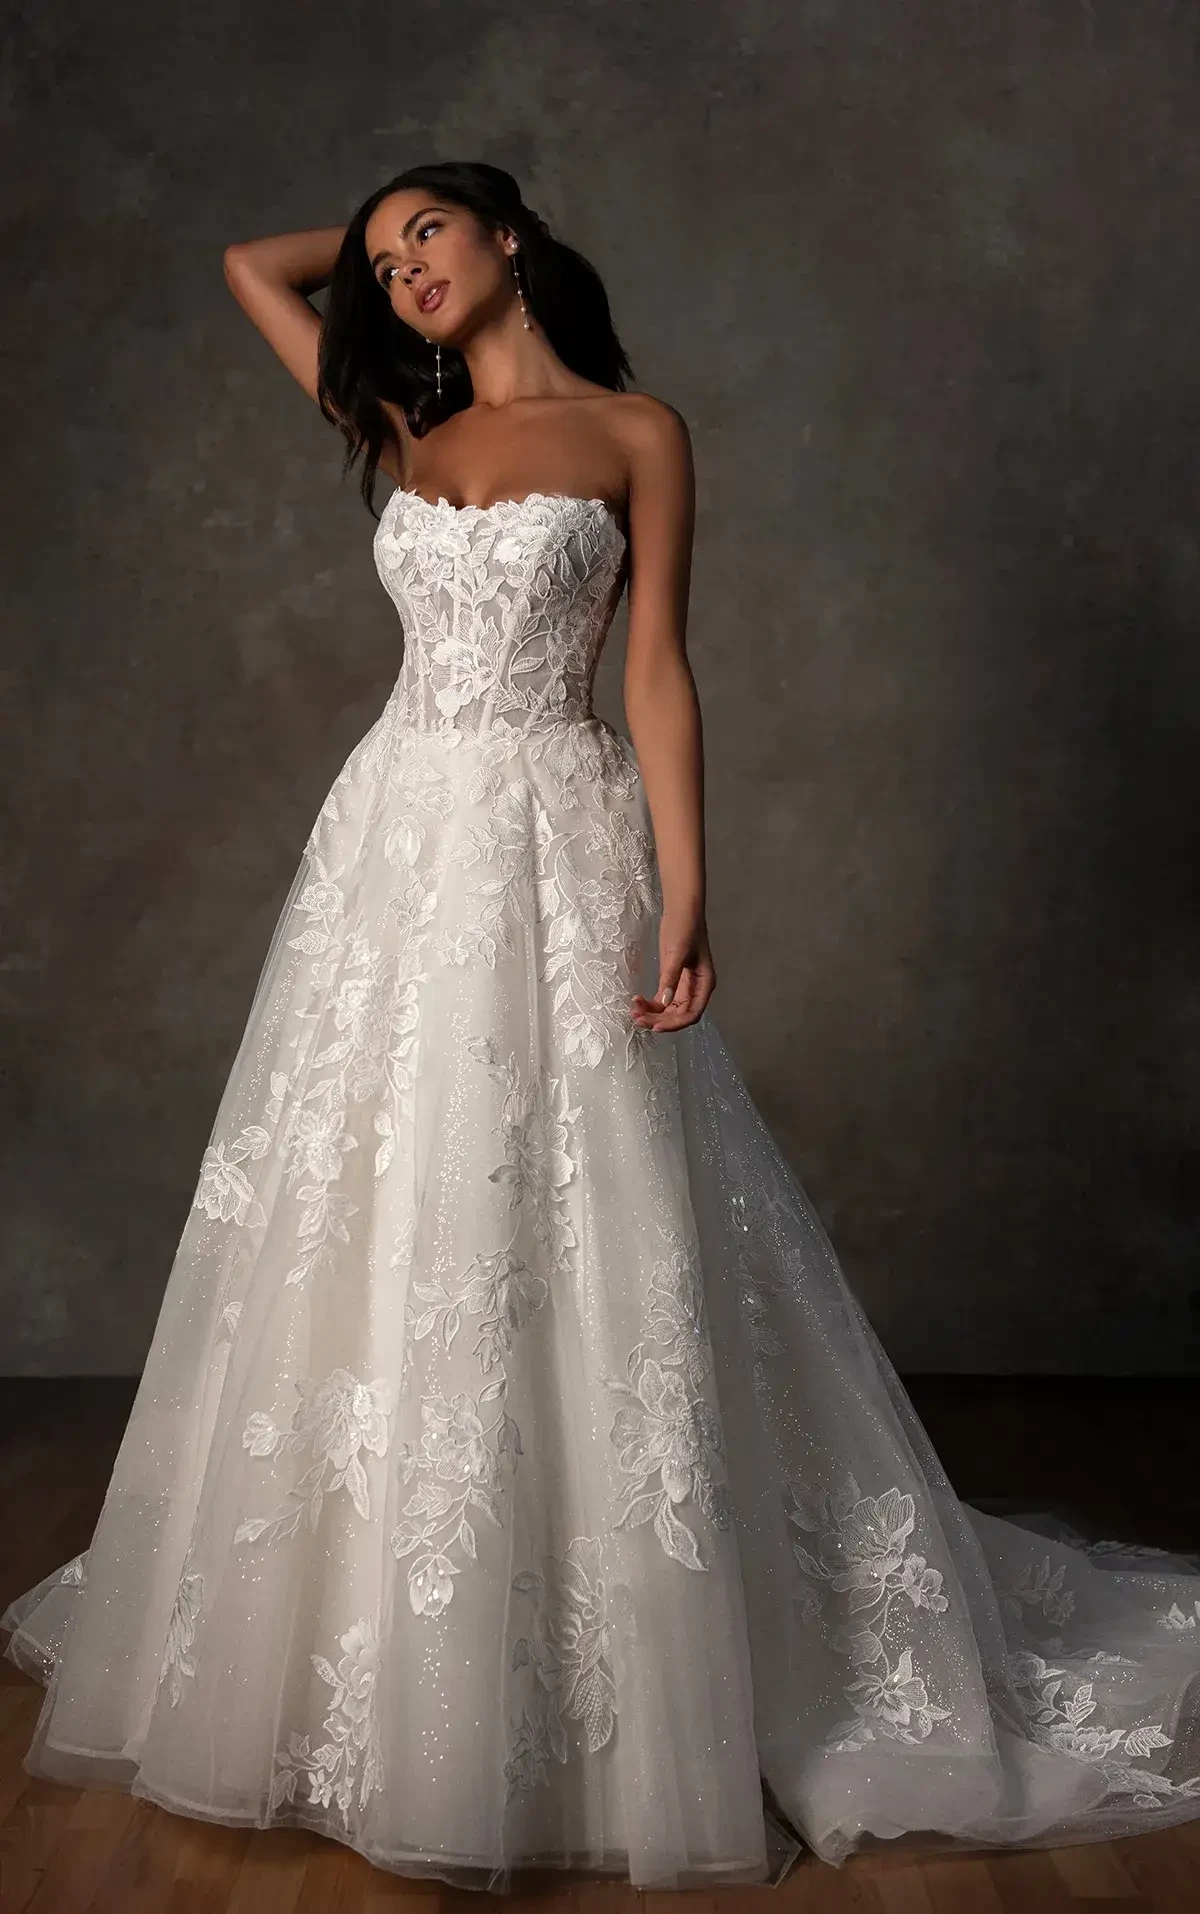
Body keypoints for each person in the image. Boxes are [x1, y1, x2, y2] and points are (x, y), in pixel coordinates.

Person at [4, 159, 1200, 1894]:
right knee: (378, 1195)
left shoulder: (641, 432)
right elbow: (242, 266)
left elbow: (655, 668)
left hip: (555, 848)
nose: (399, 266)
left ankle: (616, 1651)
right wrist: (368, 230)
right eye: (386, 250)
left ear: (515, 239)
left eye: (434, 232)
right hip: (394, 844)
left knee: (578, 1206)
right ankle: (373, 1649)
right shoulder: (400, 426)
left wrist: (693, 884)